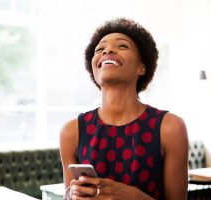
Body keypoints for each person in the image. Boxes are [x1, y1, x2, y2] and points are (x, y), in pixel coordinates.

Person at [59, 18, 189, 200]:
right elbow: (69, 194)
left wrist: (133, 197)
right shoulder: (72, 131)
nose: (107, 50)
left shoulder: (170, 128)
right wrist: (71, 195)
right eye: (99, 49)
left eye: (122, 46)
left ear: (141, 67)